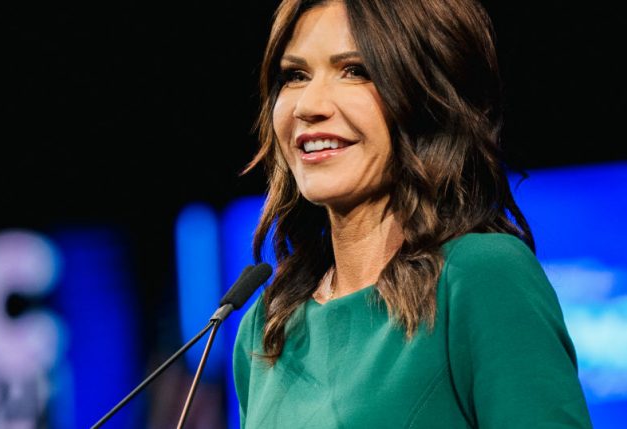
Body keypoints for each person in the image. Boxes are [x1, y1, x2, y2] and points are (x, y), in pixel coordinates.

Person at [232, 0, 593, 427]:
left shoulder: (480, 278)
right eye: (295, 75)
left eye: (356, 71)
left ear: (428, 97)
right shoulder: (266, 326)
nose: (308, 105)